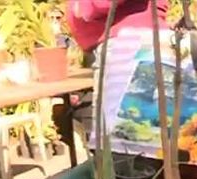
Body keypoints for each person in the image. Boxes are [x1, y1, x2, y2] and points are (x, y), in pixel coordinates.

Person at [65, 0, 168, 134]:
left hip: (128, 44)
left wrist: (85, 5)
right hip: (133, 41)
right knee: (143, 133)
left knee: (122, 136)